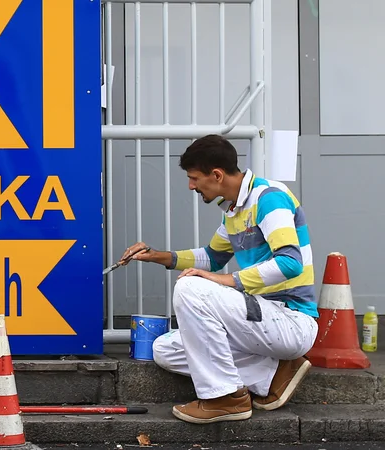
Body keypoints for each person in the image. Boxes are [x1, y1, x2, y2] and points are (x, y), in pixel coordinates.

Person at [118, 134, 318, 424]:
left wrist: (224, 281)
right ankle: (271, 375)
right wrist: (157, 256)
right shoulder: (234, 210)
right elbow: (211, 258)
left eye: (194, 178)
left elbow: (290, 263)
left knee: (190, 287)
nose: (191, 186)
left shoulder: (269, 198)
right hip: (262, 320)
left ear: (216, 174)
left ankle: (225, 398)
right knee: (164, 350)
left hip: (291, 320)